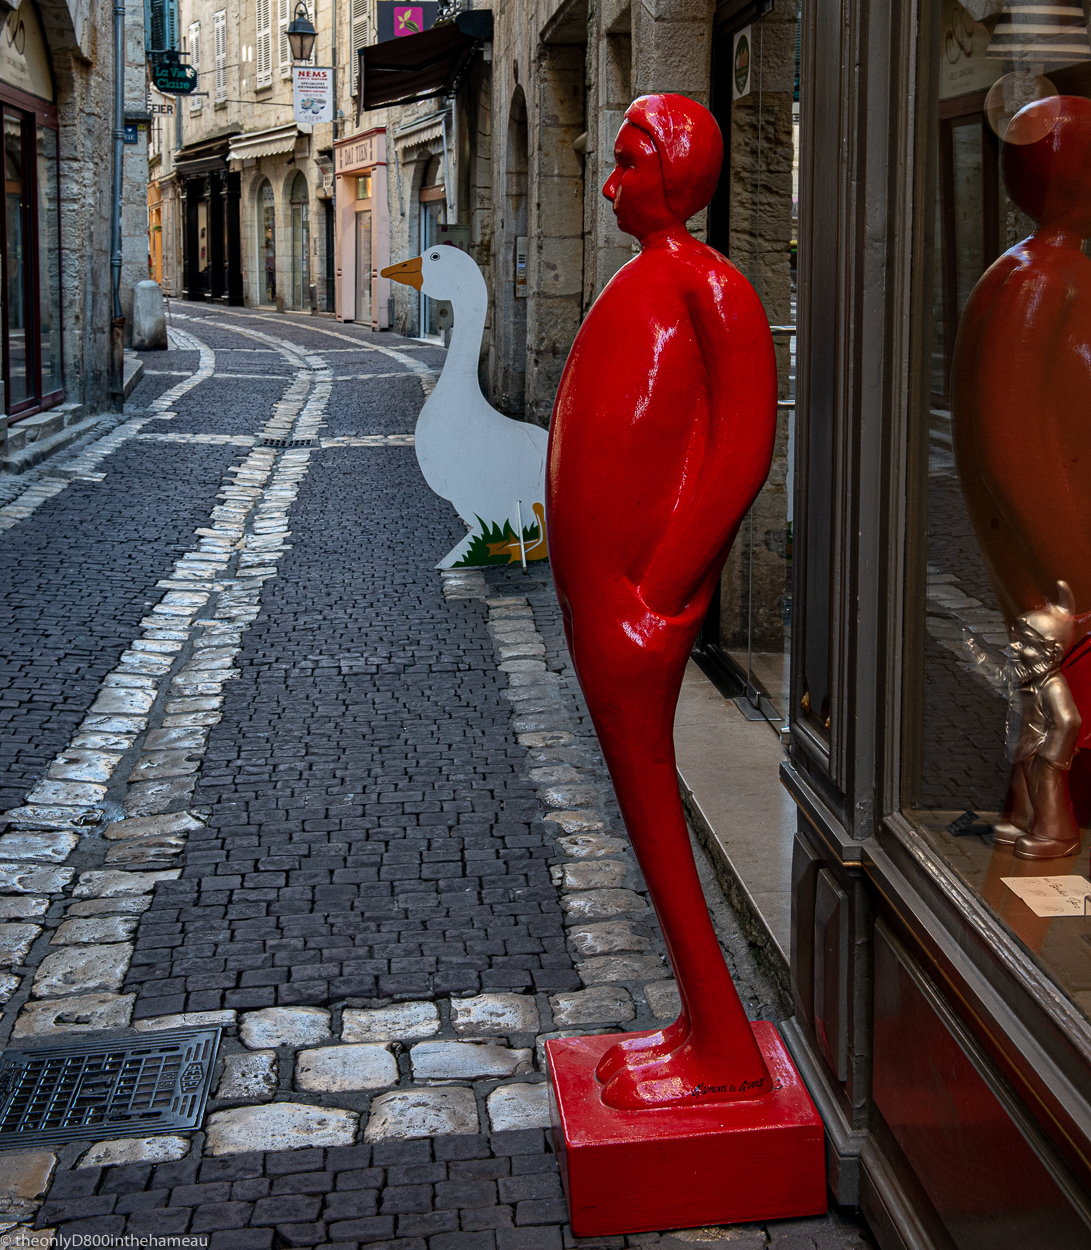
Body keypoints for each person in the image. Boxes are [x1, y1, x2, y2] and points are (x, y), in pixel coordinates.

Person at [546, 94, 779, 1110]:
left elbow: (740, 448)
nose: (610, 185)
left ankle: (720, 1042)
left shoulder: (710, 286)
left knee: (649, 803)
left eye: (629, 163)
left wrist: (665, 584)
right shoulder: (647, 280)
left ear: (677, 170)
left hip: (636, 599)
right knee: (639, 808)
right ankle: (700, 1022)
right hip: (605, 592)